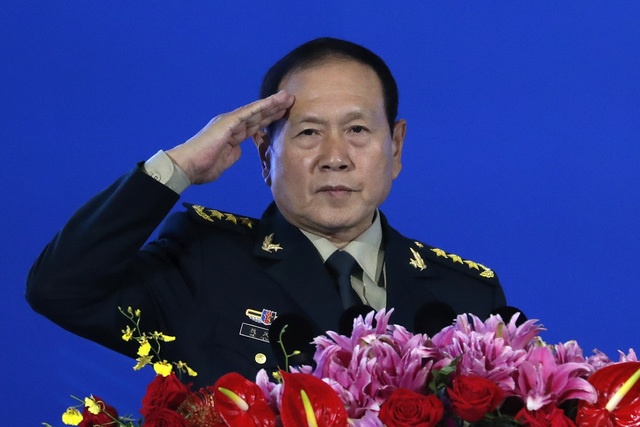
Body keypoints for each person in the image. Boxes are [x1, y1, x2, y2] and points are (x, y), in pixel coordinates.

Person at [26, 37, 507, 387]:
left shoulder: (465, 296)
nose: (335, 157)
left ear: (396, 147)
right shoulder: (202, 262)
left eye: (357, 130)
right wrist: (178, 167)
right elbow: (62, 290)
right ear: (264, 154)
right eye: (308, 133)